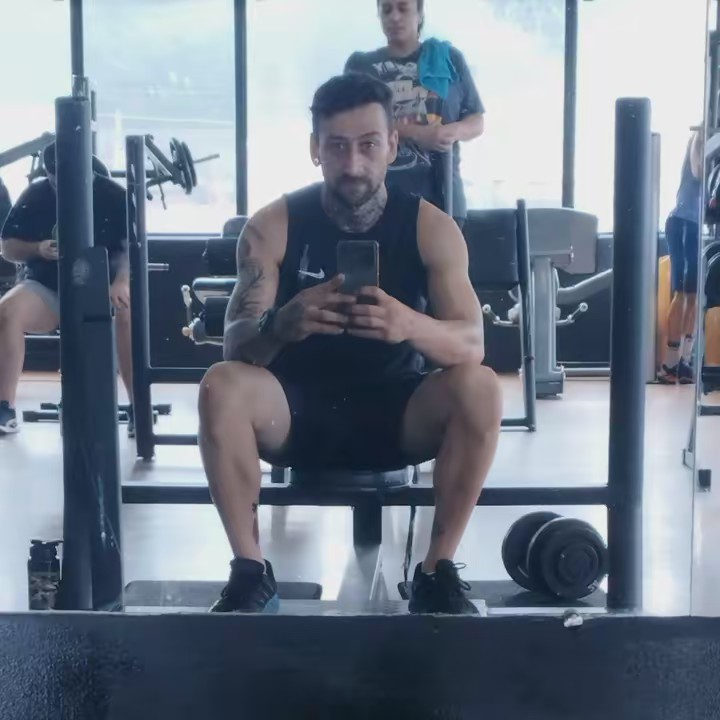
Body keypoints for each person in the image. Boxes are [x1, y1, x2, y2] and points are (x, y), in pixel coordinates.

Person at [198, 72, 502, 616]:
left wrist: (410, 325)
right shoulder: (273, 226)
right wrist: (280, 325)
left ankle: (436, 571)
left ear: (392, 145)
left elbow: (471, 344)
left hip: (399, 413)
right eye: (337, 146)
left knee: (480, 388)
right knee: (221, 385)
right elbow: (234, 345)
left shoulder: (431, 229)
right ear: (315, 149)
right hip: (293, 413)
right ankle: (250, 570)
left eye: (367, 145)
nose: (353, 163)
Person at [0, 142, 134, 435]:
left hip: (103, 288)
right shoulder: (36, 194)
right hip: (49, 288)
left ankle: (138, 407)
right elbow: (8, 247)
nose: (59, 184)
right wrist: (37, 248)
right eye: (54, 178)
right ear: (48, 173)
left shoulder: (114, 196)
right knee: (7, 312)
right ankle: (4, 407)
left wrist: (121, 281)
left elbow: (130, 250)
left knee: (126, 312)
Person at [344, 0, 485, 229]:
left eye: (403, 8)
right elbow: (352, 122)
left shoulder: (449, 59)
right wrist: (418, 134)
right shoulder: (361, 65)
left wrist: (452, 131)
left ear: (419, 14)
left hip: (444, 198)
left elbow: (476, 119)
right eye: (386, 10)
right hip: (378, 199)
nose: (394, 16)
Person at [658, 129, 703, 384]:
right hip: (683, 223)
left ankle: (684, 361)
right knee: (682, 294)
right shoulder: (699, 138)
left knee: (694, 295)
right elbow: (699, 171)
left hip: (696, 226)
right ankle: (669, 363)